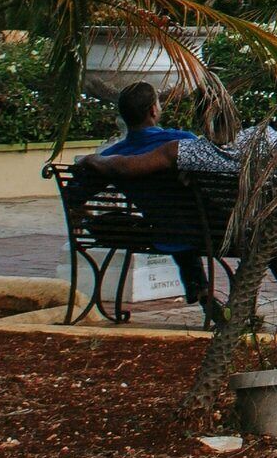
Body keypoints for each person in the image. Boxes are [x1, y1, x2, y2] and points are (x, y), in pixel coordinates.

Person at [70, 81, 210, 305]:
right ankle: (200, 288)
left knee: (167, 221)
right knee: (179, 220)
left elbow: (74, 194)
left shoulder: (112, 156)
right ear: (153, 111)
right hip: (202, 230)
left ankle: (198, 286)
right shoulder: (182, 142)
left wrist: (83, 214)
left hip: (156, 229)